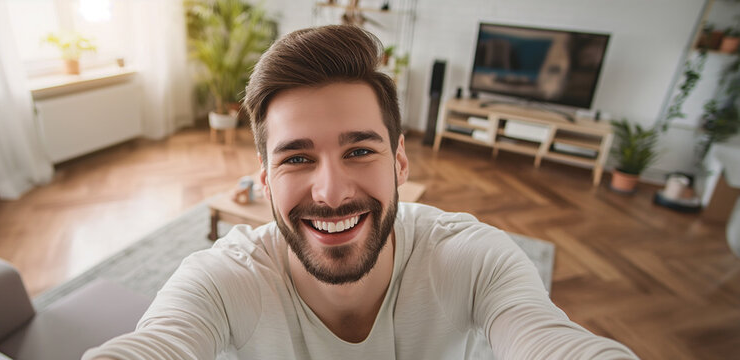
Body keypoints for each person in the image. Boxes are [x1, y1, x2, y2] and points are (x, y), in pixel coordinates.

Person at [84, 25, 638, 360]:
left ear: (399, 160)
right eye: (297, 158)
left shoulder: (473, 258)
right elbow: (161, 342)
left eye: (360, 150)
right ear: (264, 177)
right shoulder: (221, 278)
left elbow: (546, 337)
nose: (330, 192)